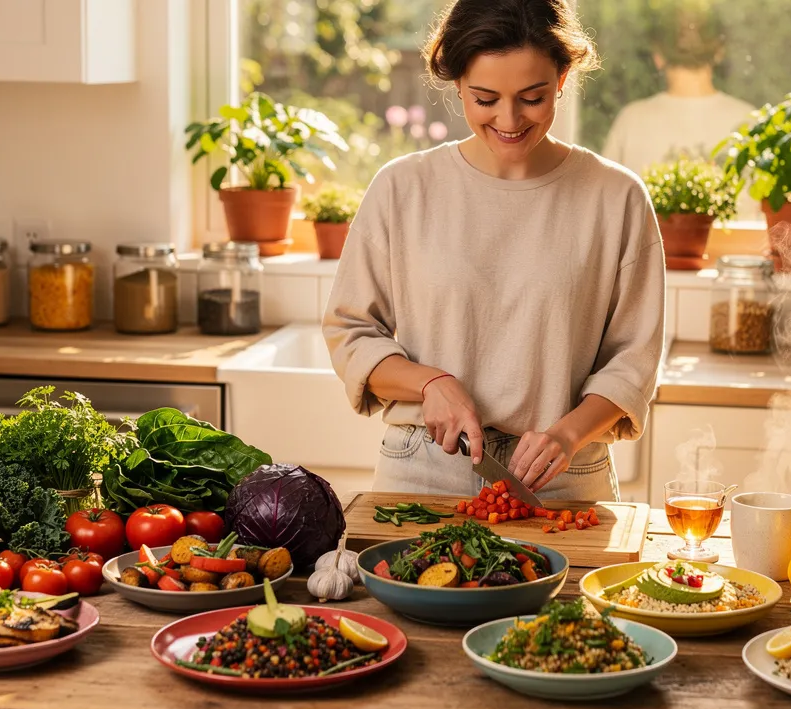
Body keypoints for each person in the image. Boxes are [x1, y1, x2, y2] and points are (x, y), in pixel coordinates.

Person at [322, 0, 665, 503]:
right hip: (424, 469)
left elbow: (634, 357)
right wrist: (429, 383)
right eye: (485, 99)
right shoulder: (402, 188)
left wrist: (567, 435)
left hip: (563, 476)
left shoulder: (616, 197)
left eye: (532, 97)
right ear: (458, 82)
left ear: (563, 77)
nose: (509, 119)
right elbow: (350, 331)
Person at [601, 0, 757, 177]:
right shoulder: (748, 121)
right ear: (719, 51)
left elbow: (603, 200)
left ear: (658, 55)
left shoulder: (630, 121)